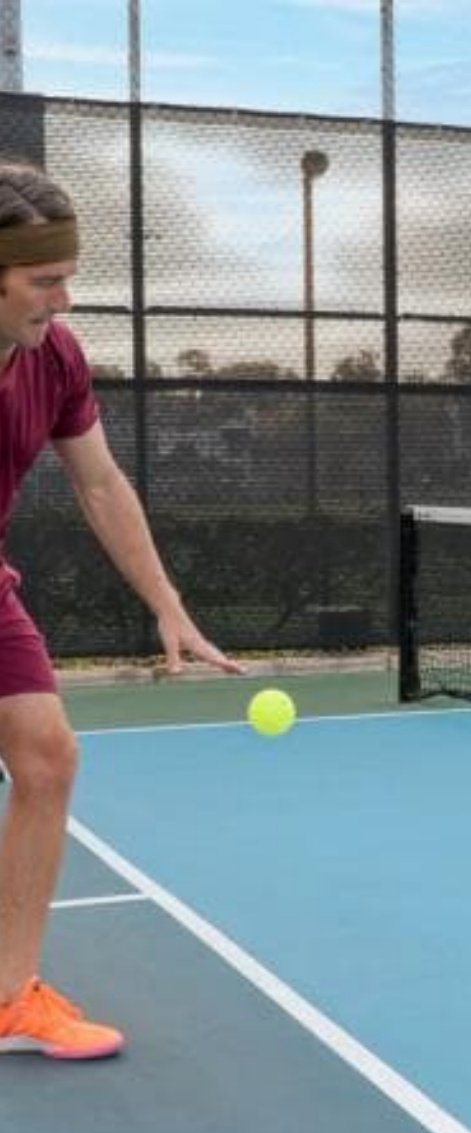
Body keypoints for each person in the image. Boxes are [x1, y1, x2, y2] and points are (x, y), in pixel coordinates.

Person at [0, 158, 244, 1059]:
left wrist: (167, 604)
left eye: (66, 277)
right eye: (42, 280)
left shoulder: (54, 357)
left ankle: (8, 995)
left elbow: (99, 482)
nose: (61, 300)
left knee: (48, 756)